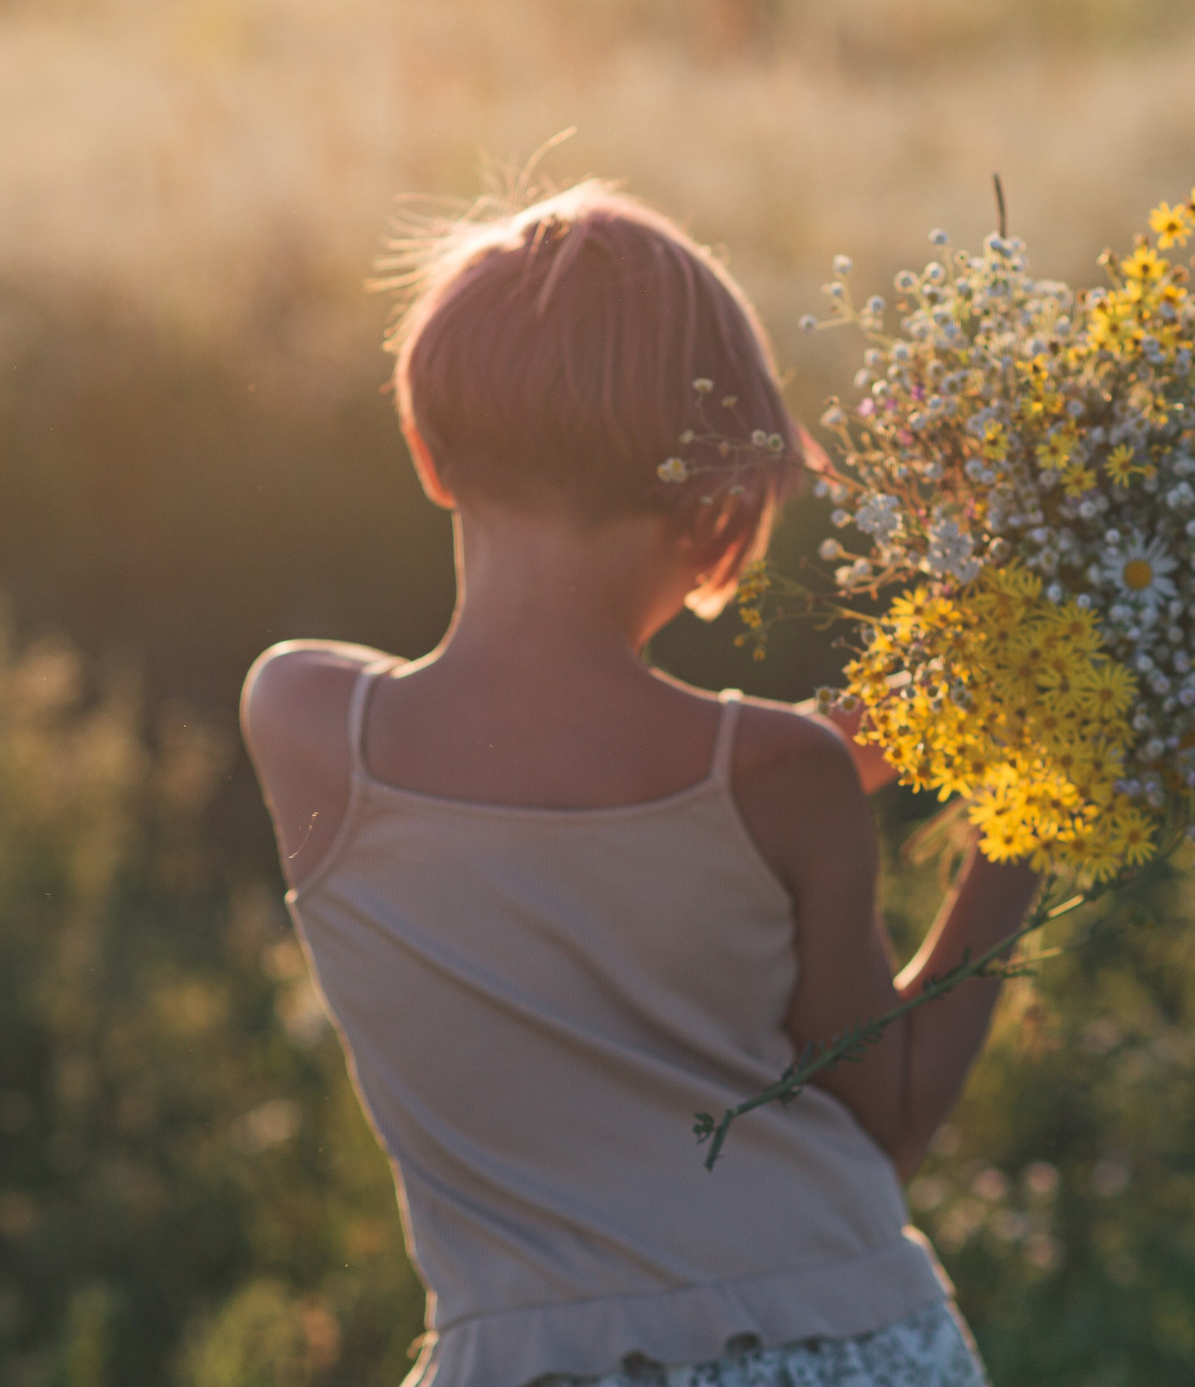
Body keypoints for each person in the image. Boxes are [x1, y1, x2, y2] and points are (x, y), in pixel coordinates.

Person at [239, 181, 1041, 1387]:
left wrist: (892, 722)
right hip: (847, 1347)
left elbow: (585, 800)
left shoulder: (308, 729)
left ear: (428, 452)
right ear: (719, 501)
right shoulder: (782, 777)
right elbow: (893, 1113)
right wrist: (1035, 809)